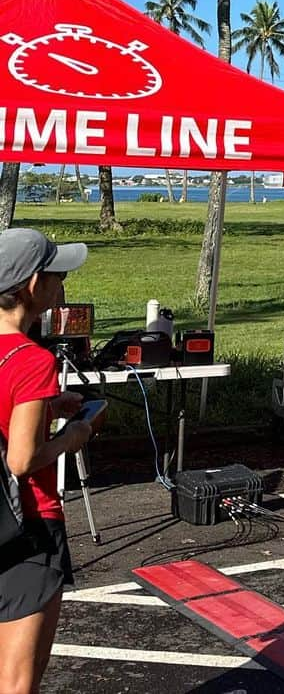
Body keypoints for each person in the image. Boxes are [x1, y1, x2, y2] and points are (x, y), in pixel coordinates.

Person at [0, 228, 94, 693]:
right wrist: (70, 437)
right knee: (19, 682)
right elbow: (21, 460)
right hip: (28, 527)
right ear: (31, 286)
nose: (61, 287)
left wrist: (48, 408)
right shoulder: (30, 360)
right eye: (56, 276)